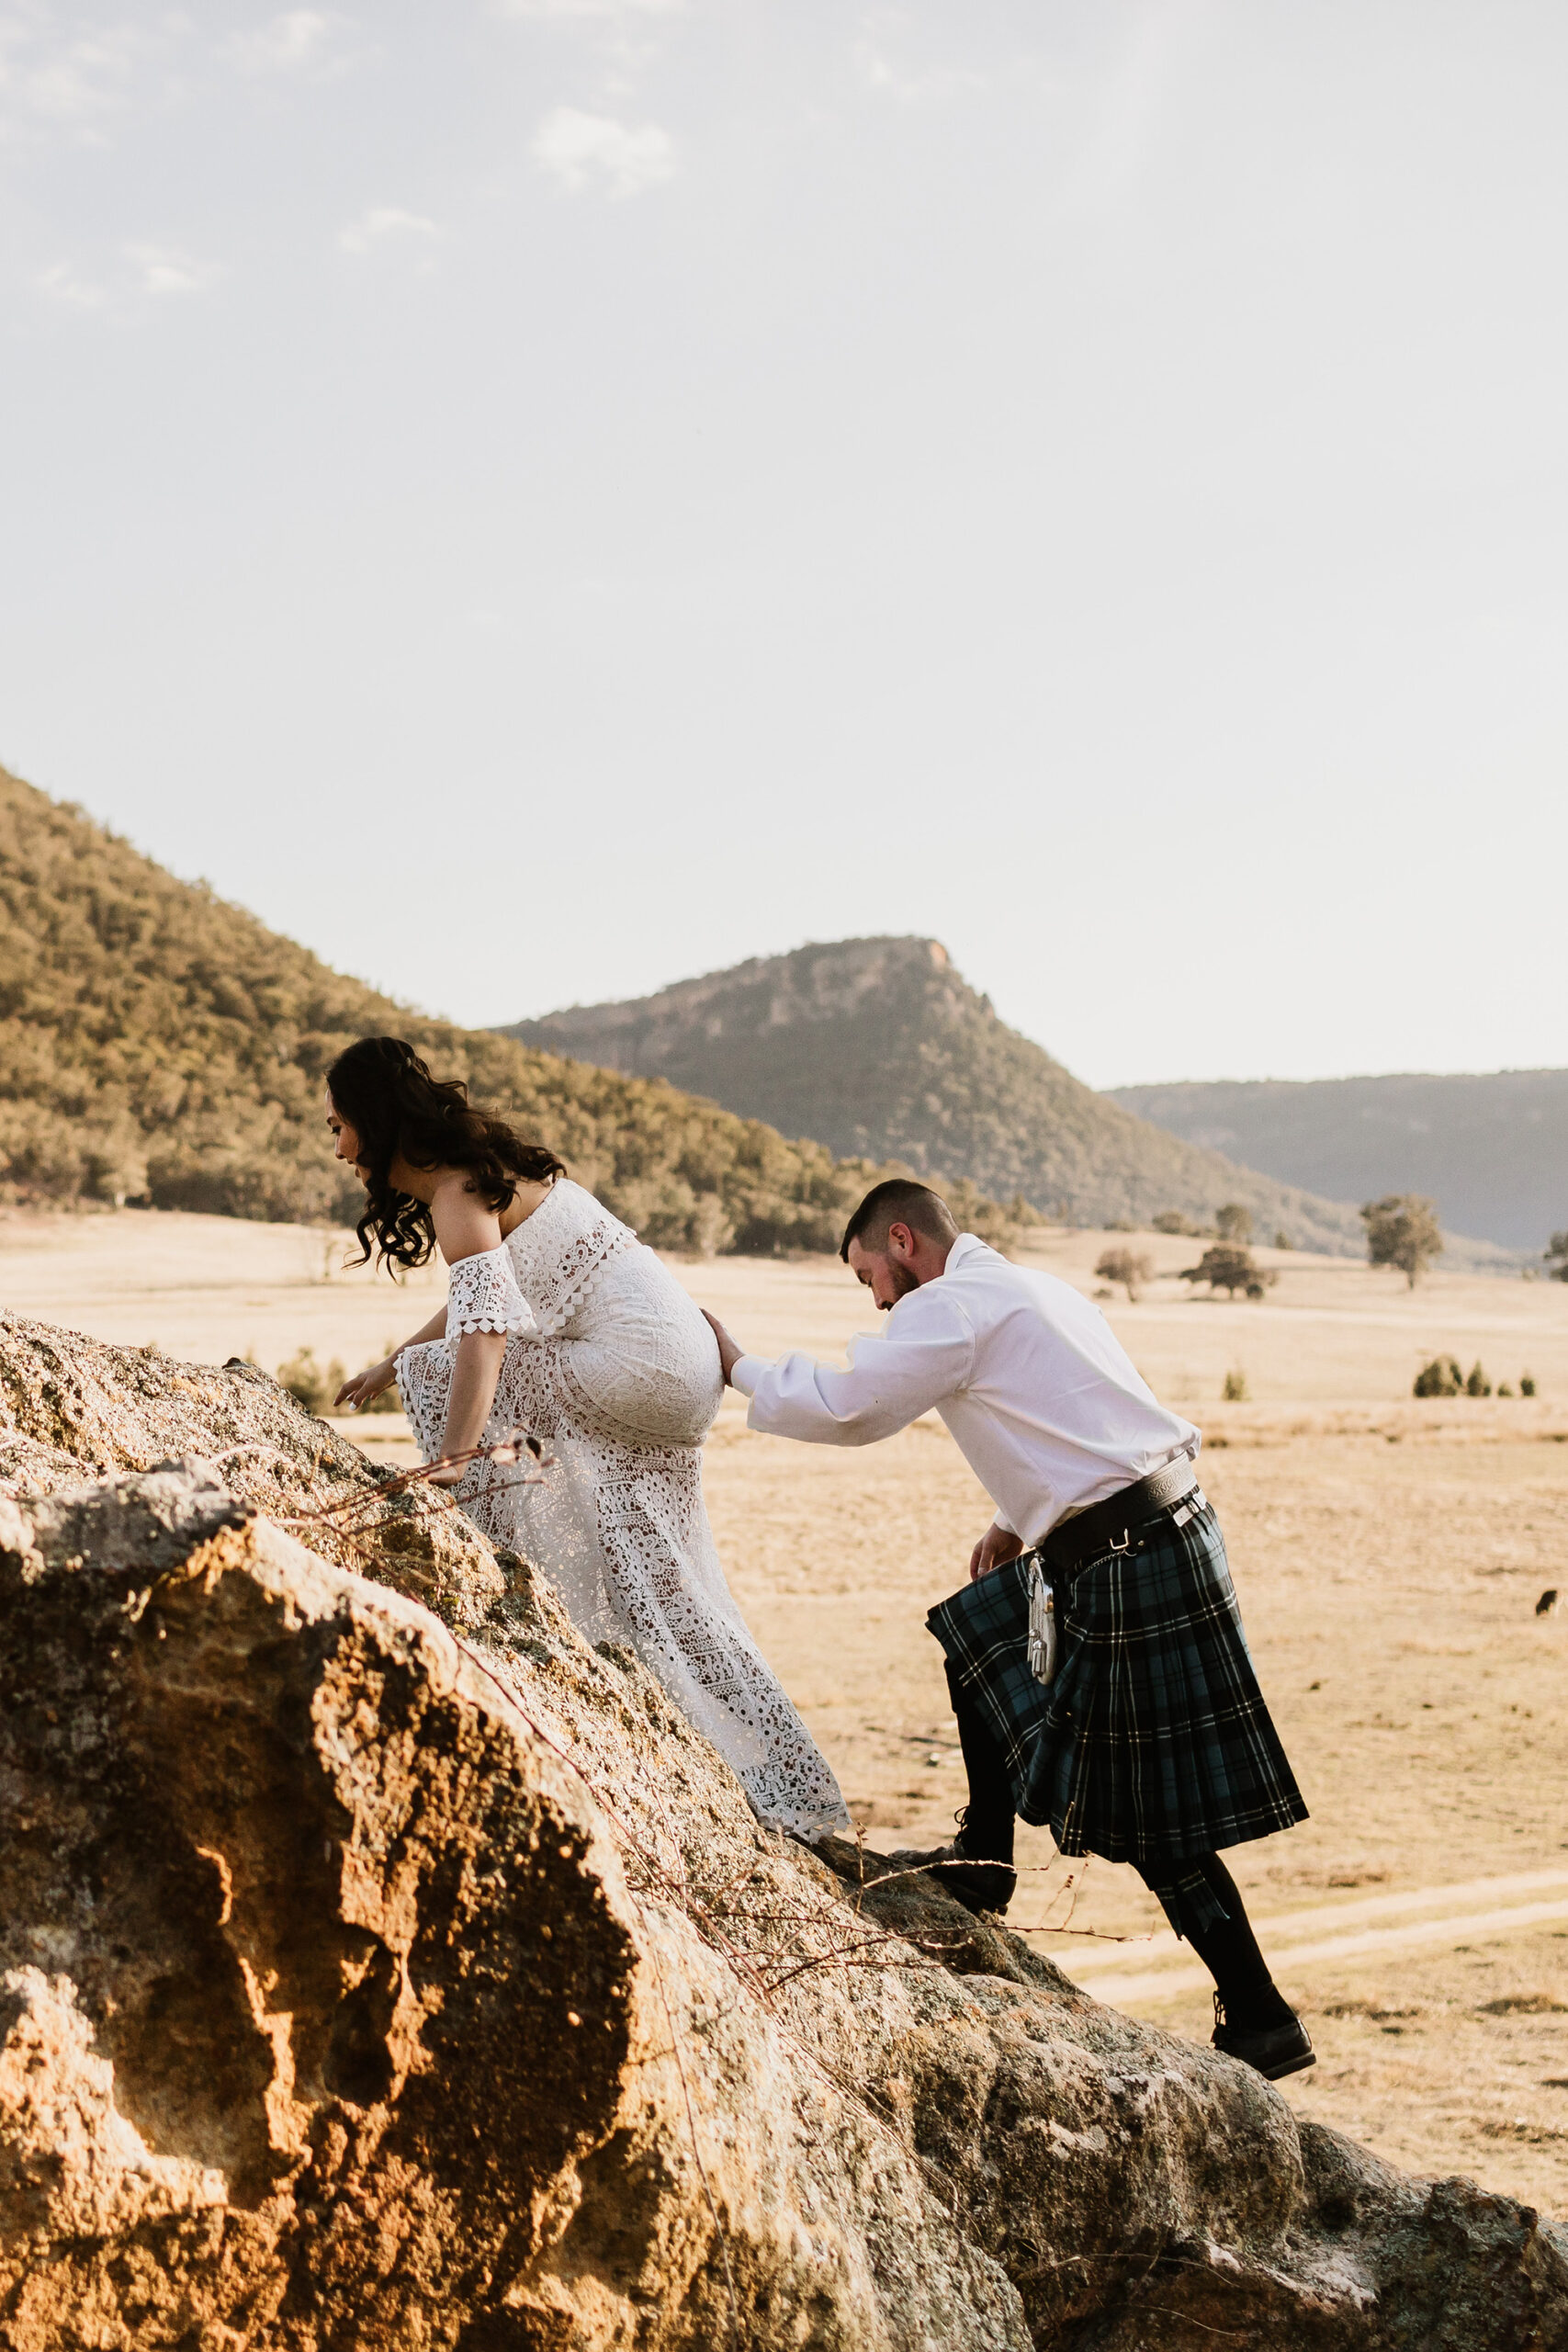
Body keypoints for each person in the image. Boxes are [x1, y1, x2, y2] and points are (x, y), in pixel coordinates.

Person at [703, 1177, 1314, 2082]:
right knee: (979, 1630)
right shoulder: (1030, 1287)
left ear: (903, 1242)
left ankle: (1261, 2017)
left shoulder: (949, 1306)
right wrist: (1016, 1513)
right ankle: (987, 1859)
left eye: (870, 1274)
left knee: (1153, 1815)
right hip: (1146, 1528)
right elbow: (1076, 1414)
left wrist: (738, 1366)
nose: (873, 1298)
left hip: (1127, 1553)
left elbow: (850, 1405)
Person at [327, 1035, 848, 1843]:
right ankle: (773, 1773)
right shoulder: (481, 1172)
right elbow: (485, 1290)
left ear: (369, 1119)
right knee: (657, 1568)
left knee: (447, 1377)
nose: (335, 1145)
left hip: (635, 1366)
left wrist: (448, 1466)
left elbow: (486, 1327)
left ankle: (491, 1543)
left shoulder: (457, 1189)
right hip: (683, 1366)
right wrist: (392, 1362)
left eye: (337, 1126)